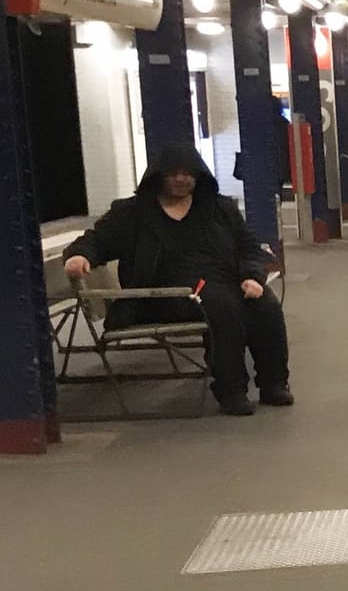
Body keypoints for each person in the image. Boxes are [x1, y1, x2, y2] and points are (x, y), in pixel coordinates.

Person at [61, 145, 292, 417]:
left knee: (265, 305)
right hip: (164, 296)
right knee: (222, 307)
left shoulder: (219, 208)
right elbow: (96, 240)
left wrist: (253, 277)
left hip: (225, 281)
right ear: (159, 176)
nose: (181, 179)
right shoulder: (134, 213)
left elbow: (248, 247)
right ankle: (232, 390)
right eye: (173, 173)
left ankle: (273, 383)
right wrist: (79, 255)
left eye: (188, 173)